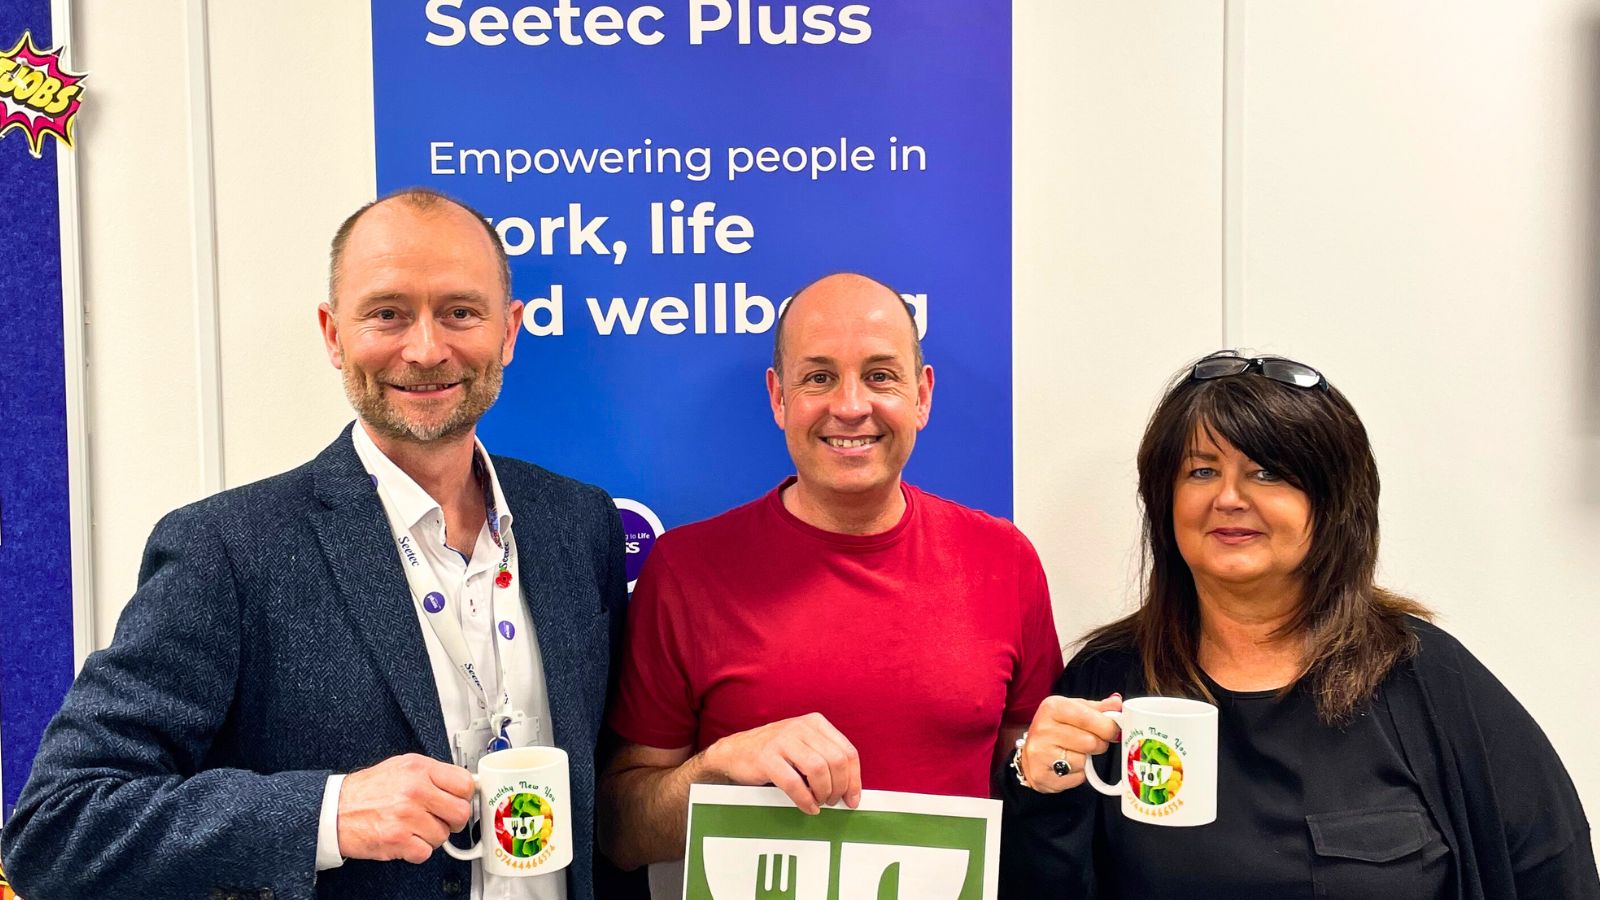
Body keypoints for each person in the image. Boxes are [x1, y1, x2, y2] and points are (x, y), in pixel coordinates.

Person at [0, 188, 628, 900]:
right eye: (388, 314)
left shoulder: (578, 522)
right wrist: (328, 814)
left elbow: (603, 789)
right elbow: (56, 826)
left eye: (460, 312)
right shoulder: (225, 549)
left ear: (509, 331)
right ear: (333, 334)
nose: (426, 349)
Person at [1000, 351, 1599, 899]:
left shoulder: (1426, 679)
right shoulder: (1108, 679)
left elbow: (1553, 871)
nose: (1230, 498)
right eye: (1202, 472)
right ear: (1165, 504)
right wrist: (1040, 792)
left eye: (1268, 473)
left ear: (1334, 506)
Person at [597, 272, 1063, 896]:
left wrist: (1059, 760)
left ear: (922, 396)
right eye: (818, 377)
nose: (850, 406)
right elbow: (620, 834)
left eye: (880, 375)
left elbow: (1032, 780)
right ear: (778, 397)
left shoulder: (1003, 560)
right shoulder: (686, 571)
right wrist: (714, 772)